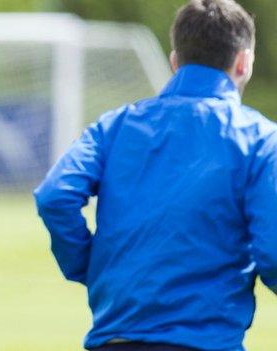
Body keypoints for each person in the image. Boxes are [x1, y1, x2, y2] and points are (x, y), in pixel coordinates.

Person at [34, 0, 277, 350]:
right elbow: (271, 249)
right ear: (244, 61)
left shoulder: (114, 126)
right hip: (207, 339)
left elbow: (55, 195)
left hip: (115, 337)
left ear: (175, 61)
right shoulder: (259, 139)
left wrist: (89, 266)